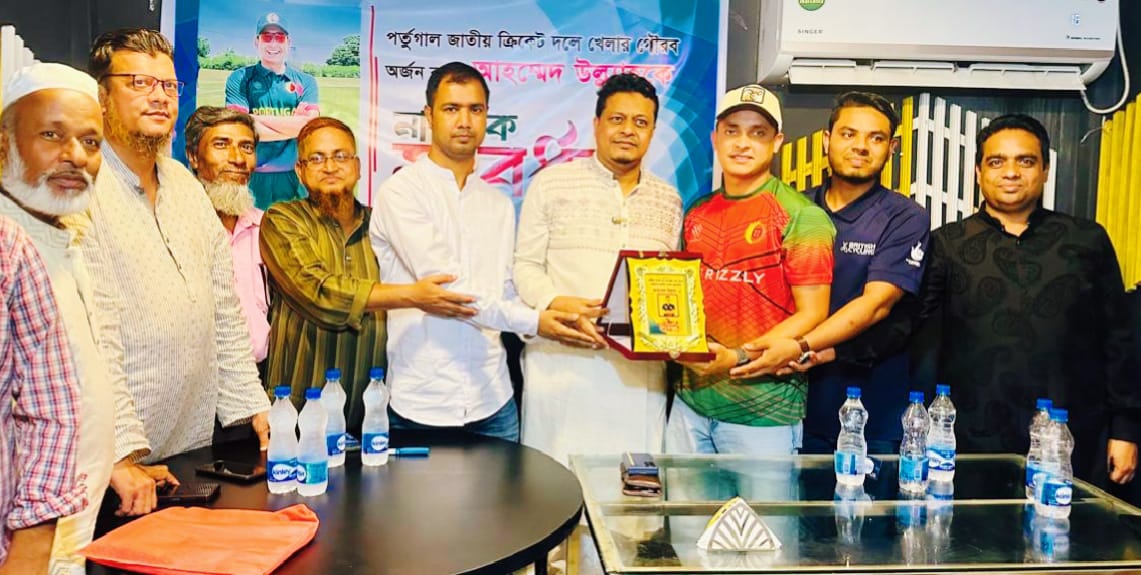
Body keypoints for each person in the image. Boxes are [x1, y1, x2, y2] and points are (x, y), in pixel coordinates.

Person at [0, 62, 180, 575]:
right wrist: (30, 554)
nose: (75, 156)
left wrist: (115, 461)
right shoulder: (10, 245)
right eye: (51, 135)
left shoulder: (64, 237)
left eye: (90, 142)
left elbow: (70, 388)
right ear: (4, 146)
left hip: (68, 527)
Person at [70, 28, 270, 463]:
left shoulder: (185, 184)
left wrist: (252, 404)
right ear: (101, 97)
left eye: (168, 85)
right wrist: (121, 453)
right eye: (140, 83)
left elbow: (224, 310)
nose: (160, 97)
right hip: (113, 459)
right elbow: (91, 336)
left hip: (190, 447)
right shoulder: (80, 189)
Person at [370, 61, 595, 441]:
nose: (464, 121)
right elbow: (451, 294)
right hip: (422, 402)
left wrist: (554, 311)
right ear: (429, 115)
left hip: (493, 400)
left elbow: (505, 289)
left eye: (475, 109)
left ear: (487, 116)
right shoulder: (402, 192)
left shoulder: (497, 204)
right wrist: (536, 322)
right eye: (451, 108)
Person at [916, 113, 1139, 486]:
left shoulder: (1086, 240)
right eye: (996, 161)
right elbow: (923, 344)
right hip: (970, 442)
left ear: (1046, 169)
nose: (1011, 172)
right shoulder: (947, 244)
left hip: (1071, 441)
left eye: (1026, 161)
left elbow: (1119, 339)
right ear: (978, 172)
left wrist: (1127, 429)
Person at [261, 116, 477, 433]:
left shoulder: (384, 226)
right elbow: (319, 293)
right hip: (295, 418)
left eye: (340, 156)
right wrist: (413, 295)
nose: (329, 166)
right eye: (316, 158)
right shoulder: (282, 219)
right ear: (300, 171)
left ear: (358, 166)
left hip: (374, 417)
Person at [748, 92, 931, 455]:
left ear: (892, 148)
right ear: (827, 140)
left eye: (875, 138)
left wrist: (801, 346)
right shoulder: (793, 209)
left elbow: (876, 305)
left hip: (869, 414)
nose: (860, 146)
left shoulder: (904, 217)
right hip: (786, 406)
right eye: (849, 134)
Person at [513, 73, 682, 464]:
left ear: (652, 131)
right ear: (596, 124)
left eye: (640, 122)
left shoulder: (669, 199)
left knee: (630, 490)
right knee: (554, 486)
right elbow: (525, 266)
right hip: (561, 368)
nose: (628, 131)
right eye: (617, 119)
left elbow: (670, 284)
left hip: (636, 379)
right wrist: (558, 302)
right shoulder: (552, 184)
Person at [669, 84, 835, 455]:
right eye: (732, 131)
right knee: (681, 499)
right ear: (715, 138)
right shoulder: (697, 211)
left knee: (763, 502)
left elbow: (813, 313)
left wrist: (738, 356)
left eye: (757, 133)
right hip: (690, 405)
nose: (743, 143)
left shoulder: (802, 216)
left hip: (764, 412)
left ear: (777, 143)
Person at [185, 106, 270, 365]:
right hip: (198, 378)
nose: (238, 159)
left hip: (261, 376)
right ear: (193, 157)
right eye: (221, 145)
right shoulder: (177, 227)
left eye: (247, 147)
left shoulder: (266, 228)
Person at [225, 12, 320, 209]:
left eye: (280, 37)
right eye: (267, 37)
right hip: (250, 177)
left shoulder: (306, 82)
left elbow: (310, 129)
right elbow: (239, 130)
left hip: (293, 178)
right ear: (257, 41)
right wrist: (295, 125)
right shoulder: (240, 78)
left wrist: (253, 119)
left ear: (288, 42)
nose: (273, 44)